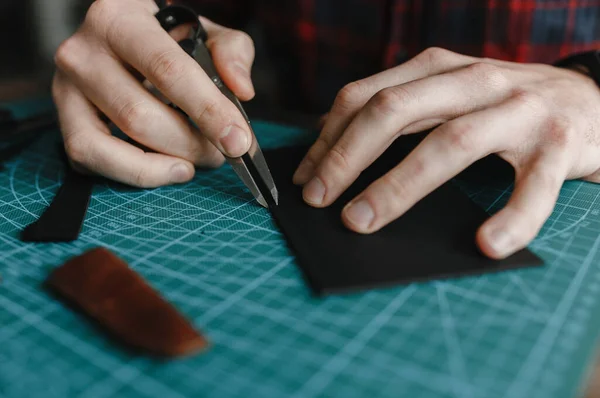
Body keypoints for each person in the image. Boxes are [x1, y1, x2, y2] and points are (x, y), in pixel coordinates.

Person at [52, 0, 600, 260]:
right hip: (295, 134)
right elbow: (191, 11)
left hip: (556, 182)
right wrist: (131, 36)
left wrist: (589, 83)